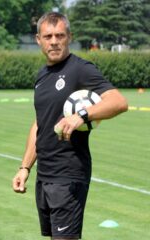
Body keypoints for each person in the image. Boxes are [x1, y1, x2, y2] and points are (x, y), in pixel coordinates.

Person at [12, 12, 128, 240]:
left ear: (69, 37)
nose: (54, 41)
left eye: (59, 35)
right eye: (48, 36)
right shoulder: (42, 76)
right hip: (45, 175)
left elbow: (119, 102)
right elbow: (40, 124)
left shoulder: (80, 69)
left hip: (69, 173)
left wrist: (82, 115)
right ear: (38, 40)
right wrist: (25, 167)